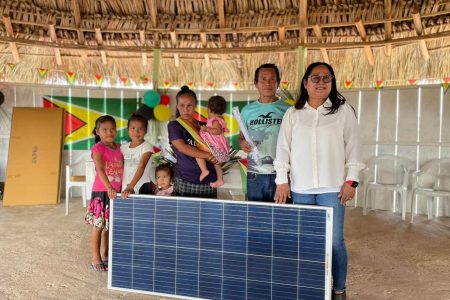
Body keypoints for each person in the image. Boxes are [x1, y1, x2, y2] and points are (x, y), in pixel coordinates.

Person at [273, 62, 364, 298]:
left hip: (333, 189)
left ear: (332, 82)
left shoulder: (343, 111)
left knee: (335, 242)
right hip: (301, 189)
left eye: (327, 77)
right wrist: (282, 180)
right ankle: (310, 288)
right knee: (306, 242)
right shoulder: (293, 114)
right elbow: (283, 149)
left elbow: (354, 148)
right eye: (316, 77)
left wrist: (351, 180)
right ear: (305, 83)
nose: (321, 82)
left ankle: (339, 289)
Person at [238, 63, 290, 202]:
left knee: (282, 218)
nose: (268, 83)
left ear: (278, 83)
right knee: (257, 219)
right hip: (255, 174)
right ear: (256, 83)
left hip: (281, 175)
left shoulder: (288, 110)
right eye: (263, 79)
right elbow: (241, 138)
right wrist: (242, 143)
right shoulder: (247, 111)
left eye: (272, 79)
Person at [85, 115, 123, 271]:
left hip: (117, 193)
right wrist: (109, 187)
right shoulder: (98, 148)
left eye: (113, 129)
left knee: (110, 227)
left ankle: (106, 255)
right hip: (102, 191)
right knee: (99, 226)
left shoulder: (120, 147)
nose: (110, 132)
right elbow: (100, 169)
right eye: (105, 129)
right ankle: (95, 258)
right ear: (97, 131)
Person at [168, 85, 219, 198]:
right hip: (186, 178)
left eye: (189, 105)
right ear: (177, 107)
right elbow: (182, 147)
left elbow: (217, 143)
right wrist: (208, 155)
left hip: (209, 179)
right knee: (185, 214)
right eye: (182, 105)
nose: (186, 109)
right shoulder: (175, 126)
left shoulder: (204, 126)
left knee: (207, 214)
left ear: (195, 106)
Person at [196, 95, 230, 188]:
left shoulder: (215, 120)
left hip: (215, 146)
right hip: (218, 148)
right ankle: (220, 180)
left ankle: (204, 170)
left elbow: (217, 131)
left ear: (210, 109)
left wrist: (207, 129)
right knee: (216, 164)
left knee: (198, 153)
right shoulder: (220, 119)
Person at [120, 114, 153, 198]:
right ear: (128, 129)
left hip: (142, 185)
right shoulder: (123, 147)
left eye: (140, 129)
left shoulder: (147, 146)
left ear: (146, 130)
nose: (136, 132)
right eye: (133, 128)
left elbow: (141, 166)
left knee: (142, 209)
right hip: (126, 185)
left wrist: (131, 186)